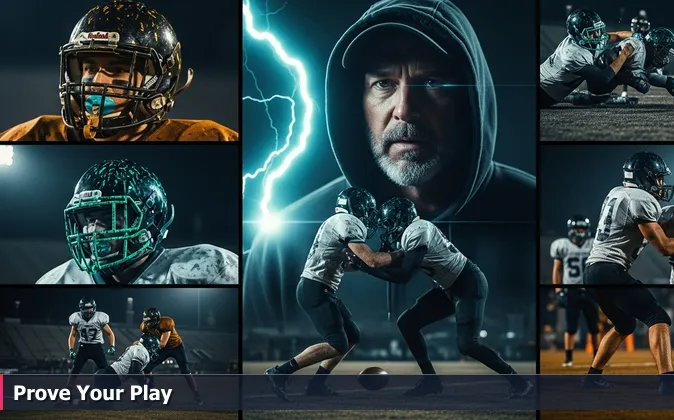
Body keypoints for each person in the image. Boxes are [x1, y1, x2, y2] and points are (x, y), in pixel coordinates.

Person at [245, 0, 535, 338]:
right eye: (383, 83)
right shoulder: (284, 248)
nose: (405, 109)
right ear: (356, 102)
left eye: (432, 83)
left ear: (470, 100)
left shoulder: (534, 215)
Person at [346, 197, 533, 398]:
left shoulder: (418, 230)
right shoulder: (412, 231)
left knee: (468, 345)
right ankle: (431, 381)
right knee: (407, 323)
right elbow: (398, 269)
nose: (389, 228)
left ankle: (520, 382)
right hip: (450, 286)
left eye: (390, 223)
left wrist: (366, 268)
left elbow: (403, 276)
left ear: (401, 219)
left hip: (467, 283)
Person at [0, 1, 237, 141]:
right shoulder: (33, 135)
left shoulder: (205, 137)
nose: (97, 81)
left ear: (159, 81)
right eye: (89, 67)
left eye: (118, 69)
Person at [582, 151, 674, 395]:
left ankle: (591, 378)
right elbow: (663, 247)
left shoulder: (616, 192)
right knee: (658, 318)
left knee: (624, 324)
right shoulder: (642, 199)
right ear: (644, 178)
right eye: (657, 178)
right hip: (610, 270)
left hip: (592, 271)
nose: (660, 185)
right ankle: (668, 383)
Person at [264, 187, 400, 401]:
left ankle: (316, 385)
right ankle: (280, 372)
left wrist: (363, 261)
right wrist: (397, 255)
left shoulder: (337, 222)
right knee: (337, 343)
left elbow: (348, 266)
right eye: (366, 211)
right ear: (355, 207)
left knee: (352, 336)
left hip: (320, 288)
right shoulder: (347, 221)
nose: (368, 216)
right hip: (315, 288)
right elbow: (372, 261)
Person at [36, 159, 238, 284]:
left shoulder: (208, 266)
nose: (93, 231)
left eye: (109, 218)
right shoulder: (56, 280)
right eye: (89, 220)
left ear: (152, 220)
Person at [539, 8, 636, 108]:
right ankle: (599, 98)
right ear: (578, 34)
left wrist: (638, 35)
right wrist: (624, 54)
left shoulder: (587, 39)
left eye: (597, 30)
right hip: (542, 91)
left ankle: (577, 96)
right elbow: (603, 77)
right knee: (607, 63)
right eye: (591, 32)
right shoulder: (572, 53)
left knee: (607, 62)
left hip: (554, 89)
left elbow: (617, 35)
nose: (597, 35)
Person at [591, 28, 674, 106]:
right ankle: (587, 97)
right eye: (663, 53)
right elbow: (607, 58)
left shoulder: (647, 60)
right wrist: (630, 77)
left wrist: (672, 84)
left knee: (643, 83)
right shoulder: (637, 46)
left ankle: (596, 99)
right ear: (655, 48)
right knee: (641, 82)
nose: (664, 58)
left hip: (603, 81)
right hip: (592, 72)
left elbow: (652, 78)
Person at [551, 215, 599, 367]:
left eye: (582, 228)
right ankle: (568, 357)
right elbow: (557, 270)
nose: (579, 231)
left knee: (594, 327)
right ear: (571, 230)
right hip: (572, 291)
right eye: (577, 228)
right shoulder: (562, 245)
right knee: (570, 327)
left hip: (590, 291)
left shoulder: (593, 244)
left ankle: (598, 357)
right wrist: (559, 291)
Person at [58, 297, 116, 406]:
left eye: (90, 308)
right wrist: (71, 349)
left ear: (94, 308)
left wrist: (112, 345)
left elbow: (110, 333)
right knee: (74, 371)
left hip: (97, 347)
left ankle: (107, 395)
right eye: (86, 308)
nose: (88, 311)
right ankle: (67, 393)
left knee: (105, 372)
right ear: (81, 308)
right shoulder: (76, 318)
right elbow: (73, 335)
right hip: (83, 347)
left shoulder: (100, 317)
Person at [140, 308, 203, 405]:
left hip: (176, 347)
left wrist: (150, 345)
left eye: (150, 321)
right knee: (147, 369)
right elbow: (145, 339)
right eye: (146, 321)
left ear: (157, 319)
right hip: (162, 350)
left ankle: (196, 394)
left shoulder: (166, 322)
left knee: (185, 372)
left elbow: (162, 343)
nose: (148, 324)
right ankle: (151, 393)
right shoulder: (144, 327)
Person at [92, 333, 160, 409]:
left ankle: (78, 402)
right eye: (154, 348)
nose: (155, 351)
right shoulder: (142, 351)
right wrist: (145, 384)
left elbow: (135, 370)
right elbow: (135, 370)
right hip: (109, 377)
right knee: (105, 406)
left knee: (101, 403)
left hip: (106, 375)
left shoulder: (137, 348)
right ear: (149, 345)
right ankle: (78, 403)